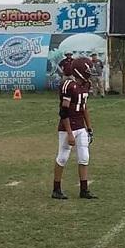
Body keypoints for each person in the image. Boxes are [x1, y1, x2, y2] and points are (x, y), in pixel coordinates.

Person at [52, 58, 96, 199]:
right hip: (67, 127)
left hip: (80, 126)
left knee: (84, 157)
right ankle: (56, 189)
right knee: (63, 157)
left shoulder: (86, 84)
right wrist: (70, 133)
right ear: (80, 71)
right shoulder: (68, 85)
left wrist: (89, 128)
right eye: (88, 70)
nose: (90, 73)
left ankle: (84, 190)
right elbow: (63, 112)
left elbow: (84, 108)